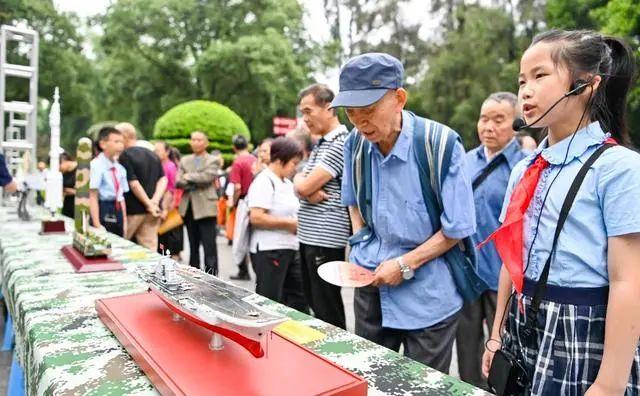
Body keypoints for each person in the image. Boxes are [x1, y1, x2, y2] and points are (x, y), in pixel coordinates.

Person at [481, 30, 640, 395]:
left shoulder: (618, 169)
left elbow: (628, 281)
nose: (525, 90)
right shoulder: (525, 168)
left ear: (585, 85)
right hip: (523, 325)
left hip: (582, 333)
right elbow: (511, 259)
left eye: (539, 76)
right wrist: (495, 336)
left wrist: (609, 384)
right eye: (521, 80)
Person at [335, 53, 476, 372]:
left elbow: (457, 228)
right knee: (369, 377)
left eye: (368, 110)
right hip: (370, 286)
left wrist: (405, 263)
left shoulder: (440, 145)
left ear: (399, 98)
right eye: (351, 113)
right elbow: (352, 200)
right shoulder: (354, 144)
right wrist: (359, 242)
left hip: (428, 295)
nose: (360, 122)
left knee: (421, 385)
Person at [456, 92, 527, 388]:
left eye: (499, 120)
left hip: (505, 275)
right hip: (467, 273)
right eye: (484, 118)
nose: (489, 126)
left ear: (516, 124)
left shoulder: (524, 167)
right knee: (467, 348)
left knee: (503, 347)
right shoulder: (463, 162)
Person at [293, 83, 351, 329]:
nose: (305, 118)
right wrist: (303, 187)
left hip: (325, 239)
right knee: (315, 303)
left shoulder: (340, 142)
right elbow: (298, 179)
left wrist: (304, 188)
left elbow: (303, 186)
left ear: (329, 108)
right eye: (302, 113)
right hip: (310, 235)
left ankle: (339, 359)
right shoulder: (322, 143)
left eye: (309, 111)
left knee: (327, 308)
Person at [247, 137, 306, 310]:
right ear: (280, 161)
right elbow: (256, 217)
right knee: (269, 302)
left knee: (298, 300)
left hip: (290, 248)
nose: (295, 168)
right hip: (270, 250)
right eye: (293, 163)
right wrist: (290, 224)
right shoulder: (264, 181)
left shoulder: (286, 183)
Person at [116, 122, 167, 250]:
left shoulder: (125, 156)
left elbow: (133, 183)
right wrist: (154, 202)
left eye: (117, 137)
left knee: (122, 246)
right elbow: (163, 179)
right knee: (149, 247)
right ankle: (151, 271)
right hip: (152, 212)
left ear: (125, 136)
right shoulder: (153, 154)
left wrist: (148, 204)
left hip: (133, 209)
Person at [176, 131, 220, 275]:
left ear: (206, 143)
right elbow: (178, 180)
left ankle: (213, 279)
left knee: (209, 248)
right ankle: (193, 275)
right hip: (189, 208)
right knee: (192, 246)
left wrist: (188, 177)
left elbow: (207, 177)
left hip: (206, 209)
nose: (195, 142)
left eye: (199, 140)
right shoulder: (185, 160)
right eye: (193, 139)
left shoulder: (213, 160)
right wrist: (195, 180)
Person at [89, 127, 128, 237]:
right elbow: (93, 196)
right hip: (103, 208)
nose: (120, 145)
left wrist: (124, 221)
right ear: (103, 144)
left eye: (122, 142)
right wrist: (97, 224)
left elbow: (121, 196)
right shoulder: (96, 166)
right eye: (116, 142)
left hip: (117, 208)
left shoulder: (120, 168)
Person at [229, 134, 256, 280]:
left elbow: (237, 187)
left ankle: (243, 270)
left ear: (234, 147)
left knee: (240, 237)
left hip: (244, 201)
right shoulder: (254, 159)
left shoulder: (238, 162)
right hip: (257, 202)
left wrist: (233, 203)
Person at [155, 141, 183, 261]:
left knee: (169, 232)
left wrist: (166, 207)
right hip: (160, 202)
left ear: (167, 152)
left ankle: (171, 257)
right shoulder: (159, 165)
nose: (155, 153)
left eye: (158, 151)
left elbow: (171, 189)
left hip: (167, 203)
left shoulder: (170, 166)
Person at [60, 152, 77, 218]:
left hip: (78, 205)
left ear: (63, 161)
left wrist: (72, 191)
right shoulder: (64, 173)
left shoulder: (80, 170)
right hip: (67, 205)